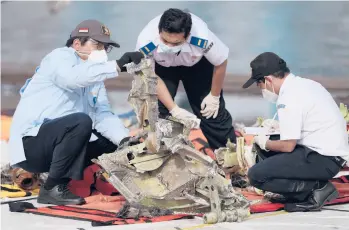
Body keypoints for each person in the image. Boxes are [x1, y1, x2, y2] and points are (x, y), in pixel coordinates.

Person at [8, 19, 192, 206]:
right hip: (30, 146)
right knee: (81, 122)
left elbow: (103, 115)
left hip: (55, 145)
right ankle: (52, 188)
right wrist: (117, 66)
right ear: (77, 43)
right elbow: (73, 79)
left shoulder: (94, 77)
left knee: (111, 145)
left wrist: (125, 141)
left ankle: (72, 179)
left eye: (105, 47)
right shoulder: (59, 57)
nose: (102, 51)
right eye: (97, 45)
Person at [242, 52, 349, 212]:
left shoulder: (288, 97)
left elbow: (287, 146)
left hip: (324, 158)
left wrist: (264, 141)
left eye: (260, 84)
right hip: (329, 154)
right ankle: (303, 188)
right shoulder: (304, 85)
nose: (261, 89)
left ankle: (316, 189)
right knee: (264, 152)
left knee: (257, 175)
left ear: (268, 80)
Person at [135, 8, 236, 150]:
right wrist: (174, 109)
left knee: (211, 112)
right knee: (156, 110)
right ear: (159, 31)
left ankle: (228, 156)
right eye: (165, 40)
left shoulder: (202, 38)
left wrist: (214, 96)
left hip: (196, 65)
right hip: (162, 67)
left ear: (187, 36)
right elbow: (150, 76)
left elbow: (221, 62)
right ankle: (158, 154)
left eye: (176, 43)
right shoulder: (146, 41)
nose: (169, 45)